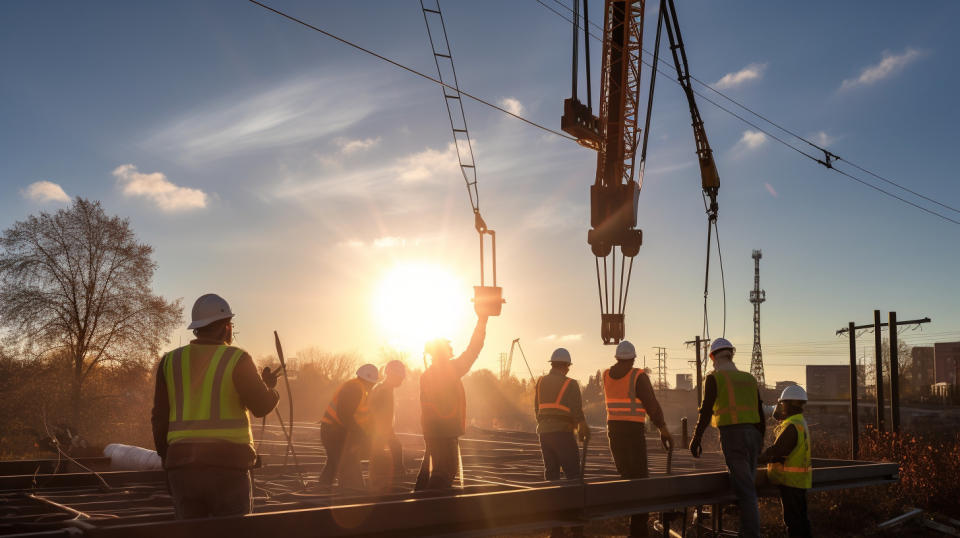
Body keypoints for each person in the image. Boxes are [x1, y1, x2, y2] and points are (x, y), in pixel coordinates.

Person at [151, 293, 280, 519]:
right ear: (226, 327)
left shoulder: (170, 361)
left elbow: (159, 418)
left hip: (182, 469)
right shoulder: (236, 358)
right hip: (228, 467)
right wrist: (272, 390)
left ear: (198, 328)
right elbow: (261, 406)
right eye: (231, 324)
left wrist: (168, 461)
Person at [689, 338, 765, 538]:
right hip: (753, 435)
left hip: (733, 436)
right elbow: (760, 411)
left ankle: (750, 534)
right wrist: (761, 440)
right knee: (746, 487)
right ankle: (746, 532)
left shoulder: (715, 378)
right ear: (731, 354)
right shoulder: (749, 378)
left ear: (713, 357)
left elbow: (706, 411)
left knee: (746, 492)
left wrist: (696, 438)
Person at [602, 340, 673, 538]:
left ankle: (633, 526)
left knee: (625, 477)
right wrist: (663, 428)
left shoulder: (606, 375)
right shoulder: (637, 376)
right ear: (633, 358)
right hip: (633, 432)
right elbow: (651, 404)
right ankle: (638, 532)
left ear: (617, 357)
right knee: (640, 480)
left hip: (613, 431)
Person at [415, 313, 489, 490]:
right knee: (445, 471)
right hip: (446, 432)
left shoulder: (427, 375)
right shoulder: (449, 370)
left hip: (431, 431)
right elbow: (473, 350)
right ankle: (436, 509)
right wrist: (482, 321)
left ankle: (416, 503)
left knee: (429, 468)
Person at [759, 385, 812, 538]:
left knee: (793, 522)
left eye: (782, 404)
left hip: (790, 483)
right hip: (799, 481)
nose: (780, 407)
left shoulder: (791, 426)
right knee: (802, 520)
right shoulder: (800, 423)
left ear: (787, 404)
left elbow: (778, 451)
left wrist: (757, 459)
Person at [319, 363, 379, 489]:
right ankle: (351, 494)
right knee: (349, 466)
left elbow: (357, 416)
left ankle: (322, 491)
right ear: (371, 382)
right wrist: (360, 433)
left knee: (334, 464)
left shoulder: (359, 388)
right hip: (334, 432)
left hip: (333, 431)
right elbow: (345, 414)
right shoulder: (354, 389)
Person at [535, 348, 590, 481]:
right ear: (565, 366)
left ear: (552, 364)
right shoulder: (570, 384)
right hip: (562, 434)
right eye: (568, 366)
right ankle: (573, 500)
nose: (568, 370)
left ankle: (552, 500)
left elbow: (537, 409)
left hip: (544, 434)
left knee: (551, 473)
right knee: (573, 473)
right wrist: (582, 429)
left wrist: (545, 424)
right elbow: (577, 411)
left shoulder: (541, 382)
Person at [368, 360, 407, 490]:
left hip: (378, 429)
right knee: (388, 451)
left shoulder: (381, 387)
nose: (402, 381)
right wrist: (386, 433)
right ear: (392, 375)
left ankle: (380, 480)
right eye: (400, 378)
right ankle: (390, 481)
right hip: (379, 430)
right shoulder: (384, 391)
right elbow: (380, 414)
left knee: (390, 450)